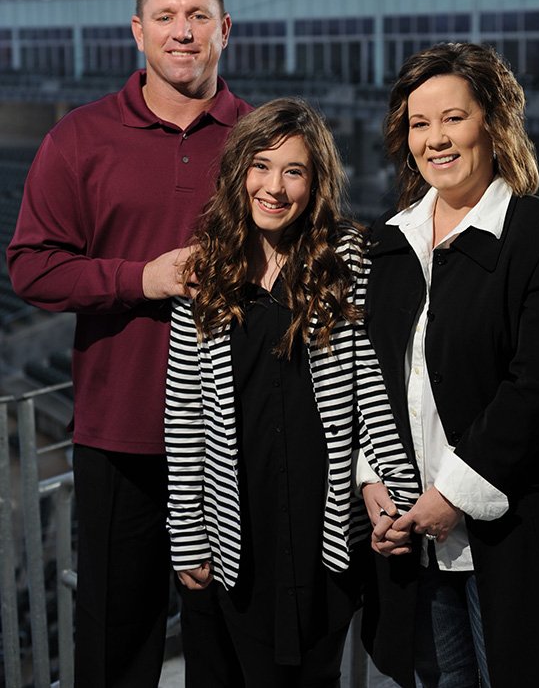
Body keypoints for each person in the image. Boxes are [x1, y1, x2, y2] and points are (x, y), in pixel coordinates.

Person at [7, 0, 252, 687]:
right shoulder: (79, 139)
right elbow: (31, 266)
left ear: (225, 30)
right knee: (117, 645)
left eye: (199, 15)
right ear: (138, 32)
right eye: (168, 17)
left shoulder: (264, 143)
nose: (184, 32)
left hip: (235, 436)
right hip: (120, 437)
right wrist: (141, 278)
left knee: (229, 647)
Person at [359, 42, 539, 688]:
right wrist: (371, 481)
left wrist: (452, 496)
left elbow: (536, 388)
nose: (435, 138)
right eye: (419, 123)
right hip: (418, 538)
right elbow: (369, 379)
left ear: (492, 122)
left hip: (515, 536)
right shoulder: (389, 242)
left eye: (453, 118)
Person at [164, 97, 419, 688]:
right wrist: (188, 538)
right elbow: (184, 420)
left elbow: (371, 392)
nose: (273, 187)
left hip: (322, 522)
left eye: (294, 171)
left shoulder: (346, 259)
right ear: (239, 173)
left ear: (316, 181)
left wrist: (394, 490)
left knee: (315, 674)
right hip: (235, 521)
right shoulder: (207, 270)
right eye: (260, 165)